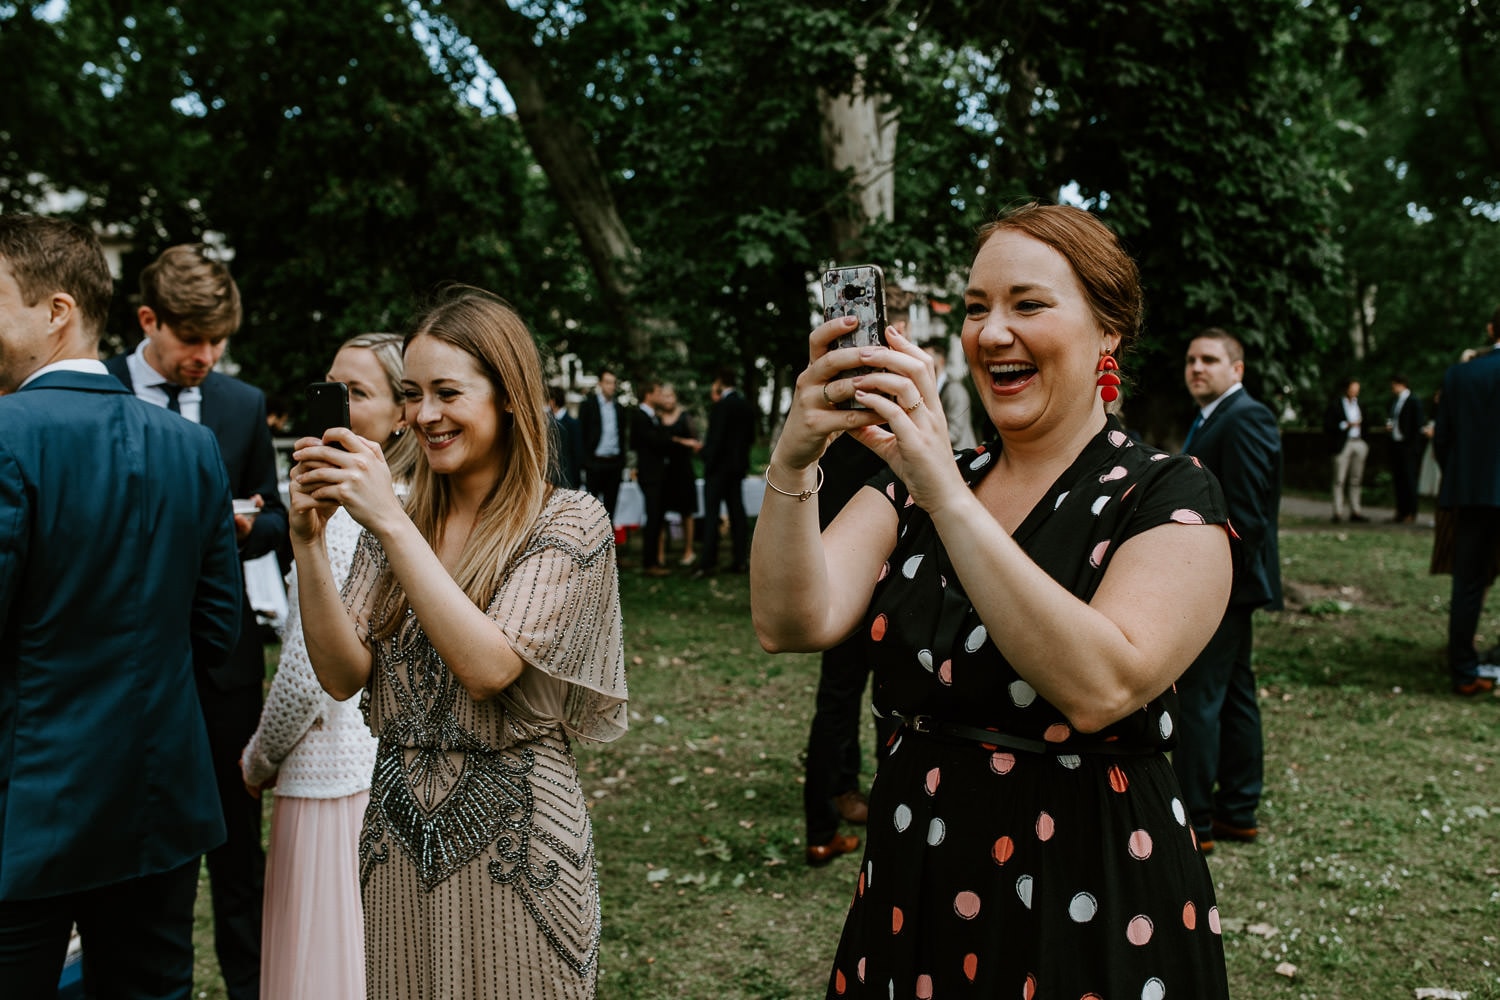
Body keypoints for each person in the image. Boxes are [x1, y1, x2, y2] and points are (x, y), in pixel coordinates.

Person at [752, 203, 1233, 996]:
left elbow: (1099, 685)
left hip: (1086, 884)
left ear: (1108, 330)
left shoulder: (1167, 495)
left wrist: (942, 490)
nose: (992, 332)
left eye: (1028, 304)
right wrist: (798, 453)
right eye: (977, 308)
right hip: (918, 877)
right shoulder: (923, 482)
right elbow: (789, 619)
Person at [289, 287, 628, 997]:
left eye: (447, 392)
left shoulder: (567, 523)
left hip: (520, 843)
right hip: (396, 833)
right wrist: (309, 544)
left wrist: (391, 523)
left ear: (509, 397)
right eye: (411, 394)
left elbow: (488, 666)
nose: (423, 416)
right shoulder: (400, 522)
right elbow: (342, 674)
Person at [0, 215, 242, 997]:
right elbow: (218, 632)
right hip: (157, 807)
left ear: (57, 310)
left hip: (26, 806)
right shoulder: (191, 447)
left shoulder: (6, 434)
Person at [104, 243, 284, 1000]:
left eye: (218, 342)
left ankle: (252, 985)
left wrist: (250, 528)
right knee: (135, 854)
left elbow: (275, 516)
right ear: (149, 320)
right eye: (191, 340)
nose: (206, 357)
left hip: (223, 667)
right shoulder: (98, 390)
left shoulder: (243, 406)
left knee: (239, 856)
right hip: (124, 667)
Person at [239, 332, 417, 999]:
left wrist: (259, 758)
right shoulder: (410, 499)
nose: (334, 405)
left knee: (324, 967)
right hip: (389, 773)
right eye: (330, 386)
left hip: (331, 779)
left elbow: (308, 673)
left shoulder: (344, 515)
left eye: (357, 392)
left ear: (403, 412)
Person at [1179, 328, 1283, 853]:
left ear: (1237, 369)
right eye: (1193, 359)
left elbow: (1247, 516)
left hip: (1224, 584)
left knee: (1200, 694)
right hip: (1225, 582)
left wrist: (1213, 582)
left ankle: (1194, 821)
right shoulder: (1209, 417)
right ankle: (1237, 809)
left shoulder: (1246, 418)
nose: (1198, 367)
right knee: (1236, 692)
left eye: (1211, 360)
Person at [1433, 307, 1500, 695]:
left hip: (1472, 494)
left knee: (1469, 582)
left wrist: (1463, 477)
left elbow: (1443, 439)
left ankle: (1463, 669)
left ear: (1490, 329)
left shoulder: (1460, 374)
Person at [695, 366, 755, 577]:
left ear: (720, 382)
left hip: (718, 469)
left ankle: (708, 562)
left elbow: (716, 440)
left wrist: (704, 455)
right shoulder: (746, 406)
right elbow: (751, 439)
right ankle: (740, 560)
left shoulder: (721, 407)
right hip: (737, 468)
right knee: (737, 513)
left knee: (711, 515)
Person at [656, 382, 702, 566]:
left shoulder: (684, 417)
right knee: (659, 512)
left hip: (683, 470)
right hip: (663, 471)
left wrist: (678, 440)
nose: (668, 400)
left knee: (686, 512)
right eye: (664, 396)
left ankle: (688, 550)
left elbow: (696, 443)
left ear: (675, 397)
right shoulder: (657, 418)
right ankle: (659, 554)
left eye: (670, 396)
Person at [630, 378, 672, 577]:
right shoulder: (640, 417)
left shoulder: (653, 417)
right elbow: (656, 443)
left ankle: (655, 559)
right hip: (650, 475)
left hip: (659, 475)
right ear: (648, 394)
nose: (660, 396)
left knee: (657, 518)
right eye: (657, 392)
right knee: (653, 517)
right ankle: (650, 562)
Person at [578, 367, 626, 519]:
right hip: (595, 463)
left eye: (613, 383)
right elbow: (582, 433)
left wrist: (622, 461)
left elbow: (622, 434)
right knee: (592, 509)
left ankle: (609, 542)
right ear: (600, 384)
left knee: (611, 508)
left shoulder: (619, 408)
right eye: (608, 382)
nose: (611, 386)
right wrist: (586, 461)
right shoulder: (588, 405)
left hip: (614, 463)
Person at [1322, 376, 1368, 523]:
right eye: (1353, 388)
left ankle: (1356, 510)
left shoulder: (1360, 404)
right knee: (1339, 479)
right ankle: (1338, 512)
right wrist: (1345, 425)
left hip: (1358, 442)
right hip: (1342, 444)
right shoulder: (1336, 405)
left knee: (1356, 479)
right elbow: (1328, 425)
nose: (1355, 392)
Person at [923, 338, 977, 451]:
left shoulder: (955, 390)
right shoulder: (934, 387)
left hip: (962, 458)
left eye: (927, 357)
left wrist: (924, 441)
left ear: (941, 360)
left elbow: (955, 432)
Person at [1386, 372, 1424, 523]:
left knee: (1409, 480)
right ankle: (1401, 511)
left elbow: (1417, 425)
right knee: (1399, 479)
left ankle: (1411, 512)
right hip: (1397, 445)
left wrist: (1414, 447)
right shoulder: (1395, 402)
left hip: (1408, 447)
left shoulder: (1414, 401)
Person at [548, 384, 584, 488]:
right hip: (551, 481)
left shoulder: (572, 424)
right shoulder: (548, 422)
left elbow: (577, 453)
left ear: (552, 401)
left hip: (568, 480)